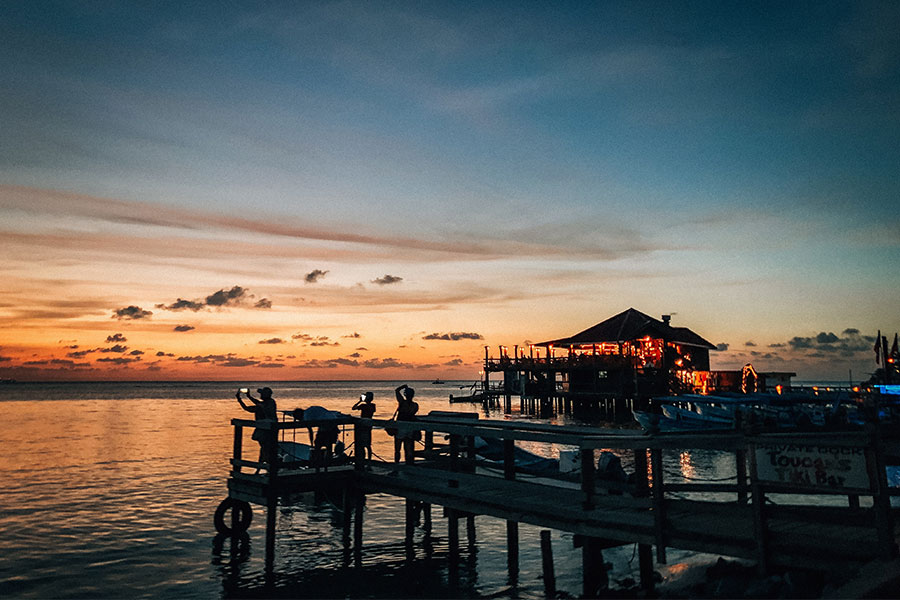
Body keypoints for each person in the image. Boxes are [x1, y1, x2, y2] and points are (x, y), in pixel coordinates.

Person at [236, 387, 278, 470]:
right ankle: (264, 468)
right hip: (266, 430)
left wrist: (245, 398)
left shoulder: (269, 403)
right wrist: (242, 398)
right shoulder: (265, 404)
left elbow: (256, 405)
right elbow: (249, 407)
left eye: (262, 393)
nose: (261, 395)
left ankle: (268, 468)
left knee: (267, 449)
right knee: (265, 449)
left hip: (267, 430)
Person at [351, 392, 376, 460]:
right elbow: (353, 408)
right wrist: (360, 401)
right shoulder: (363, 405)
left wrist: (362, 402)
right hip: (363, 427)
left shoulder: (372, 405)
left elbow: (372, 411)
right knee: (362, 445)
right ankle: (363, 459)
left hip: (367, 427)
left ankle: (368, 461)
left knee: (367, 445)